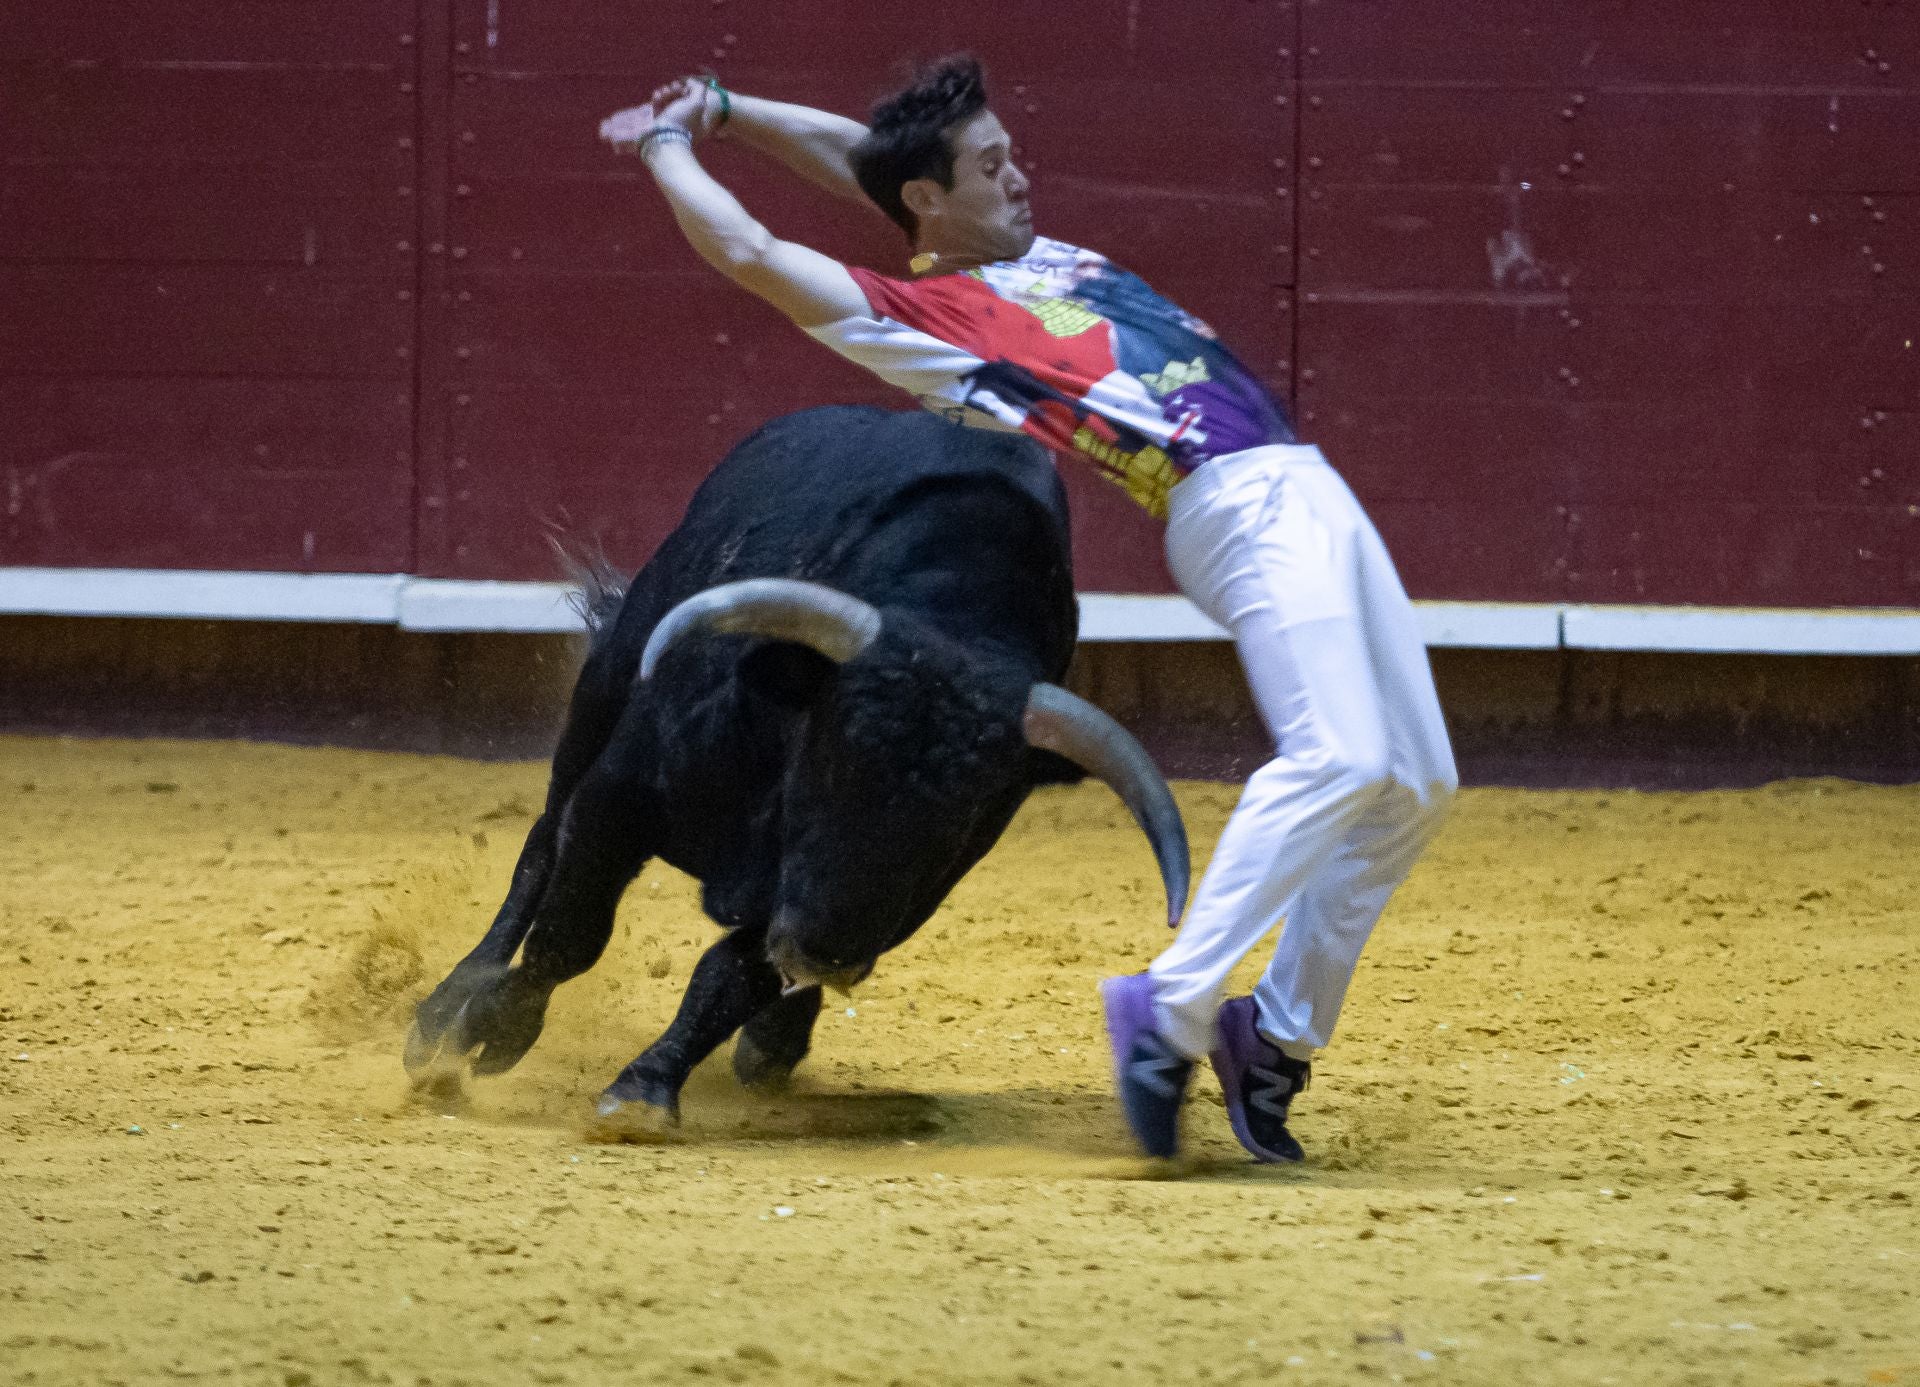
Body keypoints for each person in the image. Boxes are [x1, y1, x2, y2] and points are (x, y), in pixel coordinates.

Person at [600, 56, 1457, 1162]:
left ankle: (1275, 1036)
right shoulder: (933, 327)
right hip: (1229, 501)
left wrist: (724, 109)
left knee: (1414, 782)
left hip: (1305, 484)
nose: (1021, 177)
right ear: (930, 200)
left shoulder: (1035, 256)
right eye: (992, 165)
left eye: (1013, 155)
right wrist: (669, 149)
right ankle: (1173, 1005)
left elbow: (864, 159)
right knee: (1338, 759)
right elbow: (756, 251)